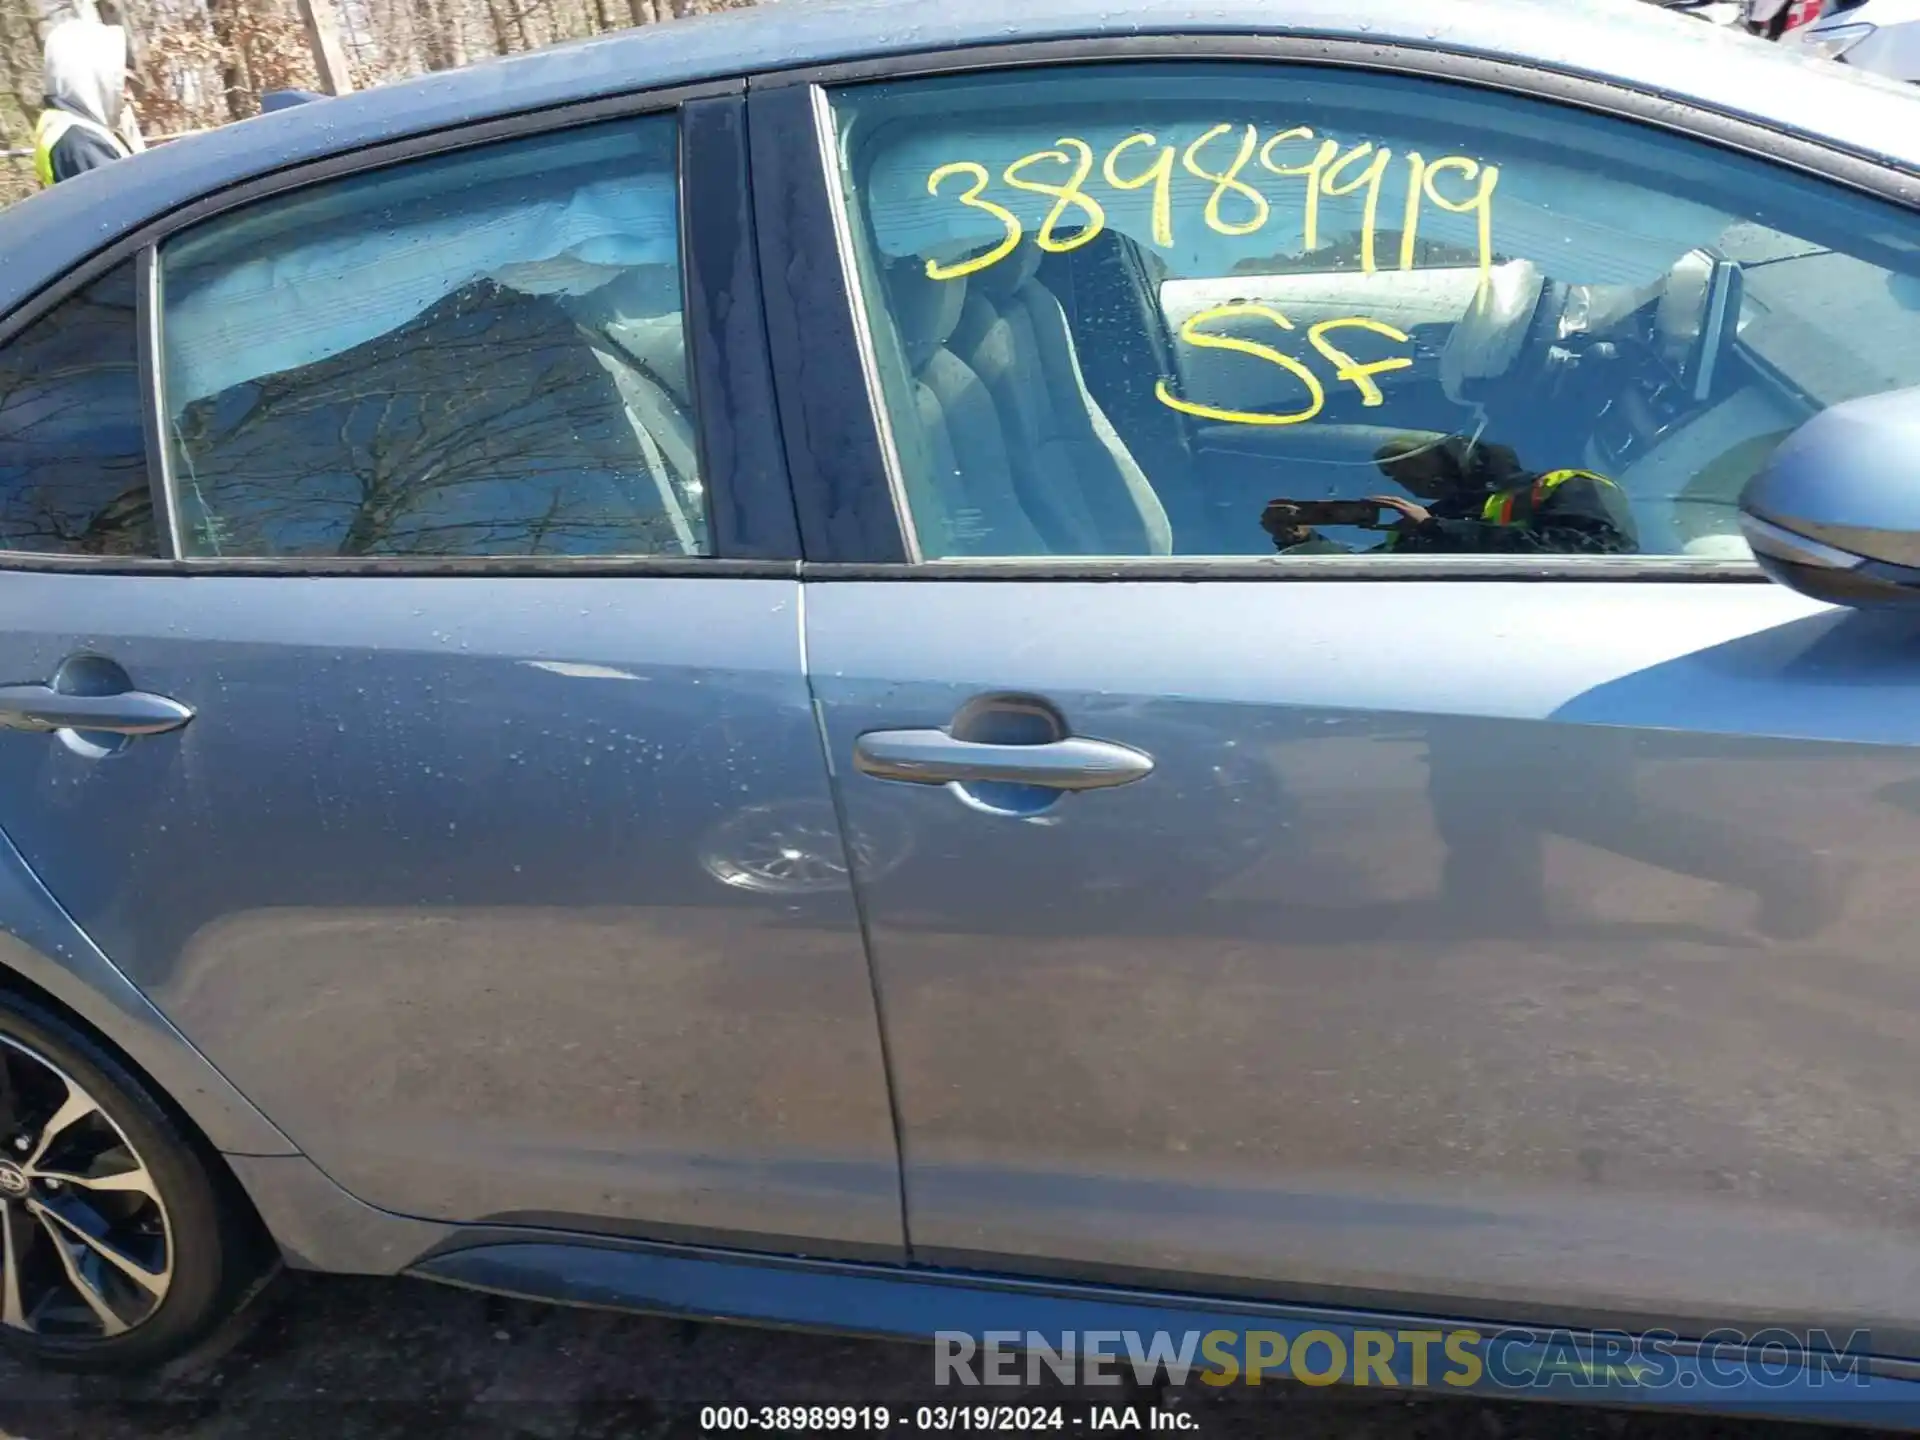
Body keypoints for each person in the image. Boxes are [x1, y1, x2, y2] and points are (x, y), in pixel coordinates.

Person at [1261, 434, 1638, 556]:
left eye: (1410, 465)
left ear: (1452, 455)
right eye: (1393, 475)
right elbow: (1358, 580)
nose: (1405, 482)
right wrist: (1302, 542)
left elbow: (1599, 552)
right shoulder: (1421, 524)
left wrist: (1437, 530)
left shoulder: (1566, 483)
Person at [33, 17, 135, 188]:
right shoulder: (81, 143)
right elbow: (131, 203)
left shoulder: (66, 129)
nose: (130, 96)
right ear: (93, 77)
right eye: (122, 82)